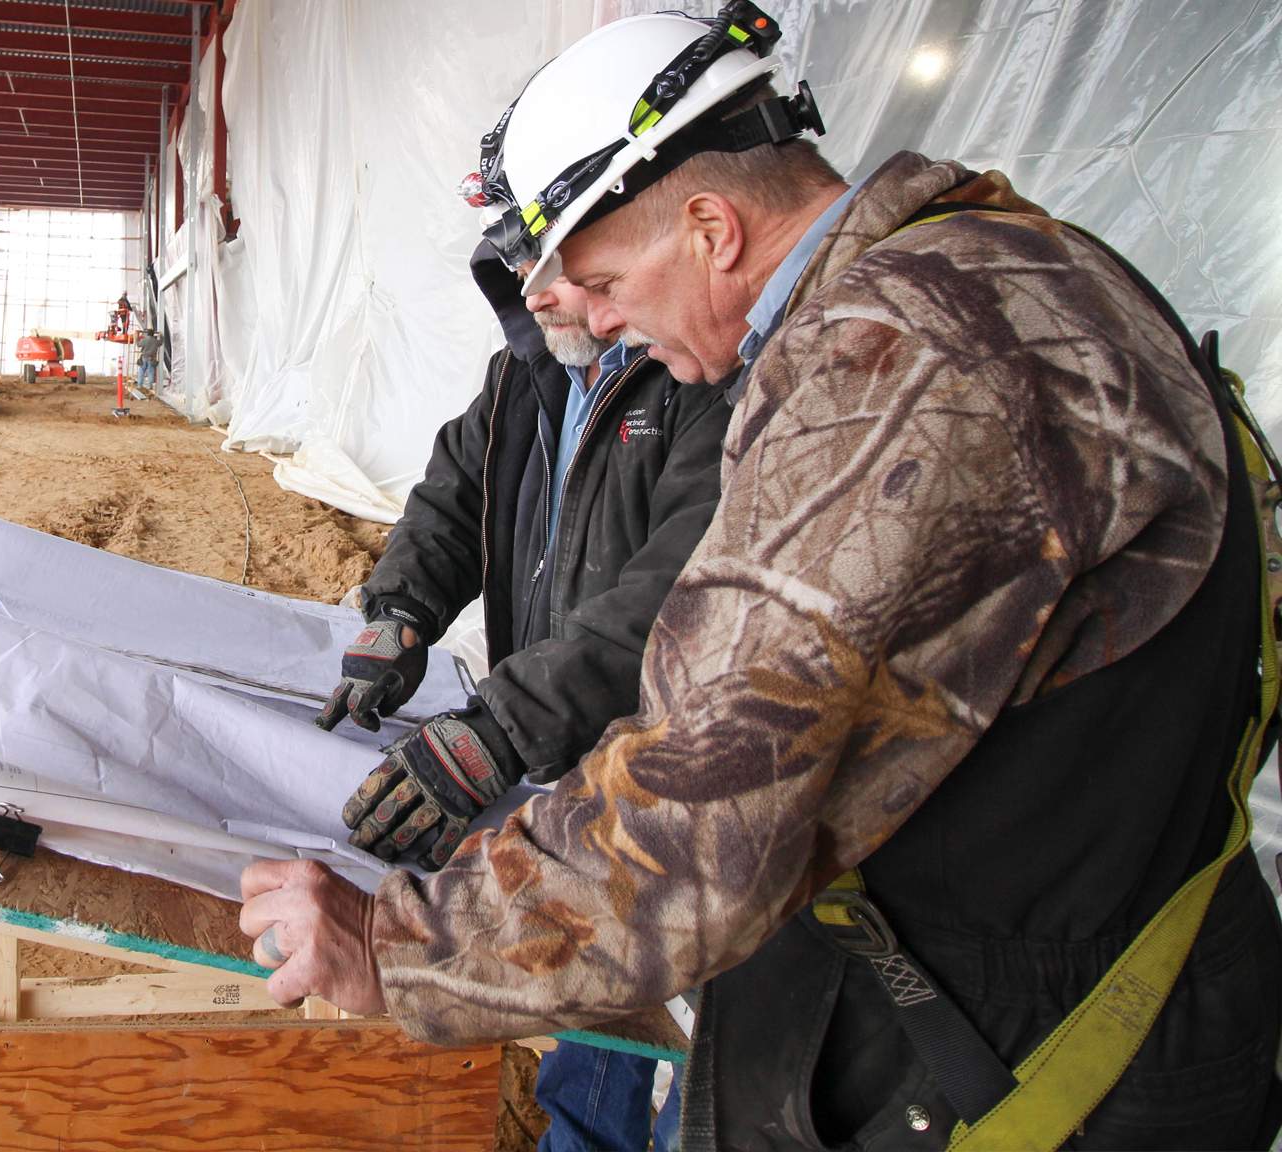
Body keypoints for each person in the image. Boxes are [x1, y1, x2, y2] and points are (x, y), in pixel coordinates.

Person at [241, 4, 1282, 1149]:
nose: (597, 325)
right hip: (1086, 986)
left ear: (708, 225)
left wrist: (400, 947)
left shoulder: (889, 365)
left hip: (1023, 1053)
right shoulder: (1011, 265)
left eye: (600, 280)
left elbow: (706, 810)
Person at [313, 183, 730, 1148]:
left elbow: (675, 594)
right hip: (566, 754)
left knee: (702, 1005)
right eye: (517, 278)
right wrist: (400, 613)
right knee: (594, 968)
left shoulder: (703, 381)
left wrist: (499, 727)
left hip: (668, 760)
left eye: (551, 274)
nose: (532, 298)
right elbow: (452, 496)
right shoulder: (528, 372)